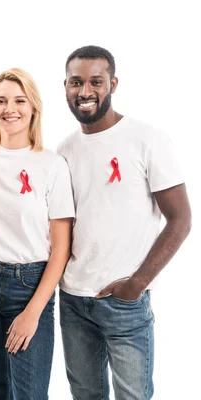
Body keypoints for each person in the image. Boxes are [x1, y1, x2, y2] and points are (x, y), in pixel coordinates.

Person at [58, 45, 192, 400]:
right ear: (66, 86)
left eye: (95, 82)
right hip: (73, 299)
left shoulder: (146, 139)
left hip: (124, 301)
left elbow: (180, 219)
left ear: (113, 84)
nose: (85, 92)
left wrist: (137, 284)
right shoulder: (65, 150)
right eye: (76, 82)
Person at [0, 68, 74, 400]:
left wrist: (33, 311)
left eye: (18, 100)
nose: (9, 109)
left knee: (29, 394)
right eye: (0, 101)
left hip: (30, 286)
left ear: (33, 107)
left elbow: (61, 248)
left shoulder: (51, 164)